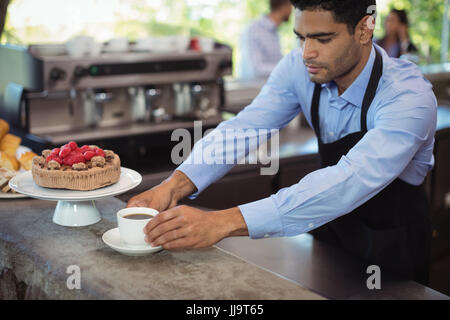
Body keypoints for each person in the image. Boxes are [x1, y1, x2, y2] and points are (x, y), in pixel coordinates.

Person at [128, 0, 437, 286]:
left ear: (363, 29)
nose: (306, 52)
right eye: (301, 37)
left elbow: (350, 181)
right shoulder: (300, 69)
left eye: (323, 39)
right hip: (329, 228)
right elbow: (244, 129)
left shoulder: (408, 96)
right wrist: (174, 185)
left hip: (393, 241)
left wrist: (221, 222)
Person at [238, 0, 293, 80]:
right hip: (253, 89)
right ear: (283, 6)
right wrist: (287, 68)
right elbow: (256, 69)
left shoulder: (274, 32)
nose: (292, 11)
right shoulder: (254, 29)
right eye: (291, 6)